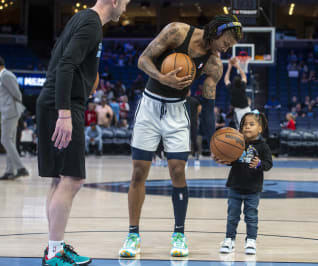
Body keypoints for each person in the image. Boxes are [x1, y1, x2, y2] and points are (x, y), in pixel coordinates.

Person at [119, 15, 243, 258]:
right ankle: (133, 234)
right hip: (150, 107)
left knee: (177, 171)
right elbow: (142, 60)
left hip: (177, 112)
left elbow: (208, 107)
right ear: (215, 31)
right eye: (226, 42)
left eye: (229, 46)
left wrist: (213, 143)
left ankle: (179, 234)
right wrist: (162, 77)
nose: (226, 48)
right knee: (138, 172)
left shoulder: (214, 65)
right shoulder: (176, 31)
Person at [36, 1, 130, 265]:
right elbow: (65, 64)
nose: (127, 6)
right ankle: (55, 253)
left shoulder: (82, 18)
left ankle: (55, 247)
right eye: (126, 1)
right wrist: (64, 113)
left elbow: (59, 54)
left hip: (53, 101)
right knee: (73, 179)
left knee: (60, 179)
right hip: (64, 106)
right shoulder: (91, 24)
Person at [215, 110, 273, 255]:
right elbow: (231, 160)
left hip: (253, 189)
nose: (247, 127)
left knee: (251, 217)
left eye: (251, 124)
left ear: (260, 128)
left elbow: (269, 164)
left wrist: (260, 164)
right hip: (235, 186)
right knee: (232, 216)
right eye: (244, 124)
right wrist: (223, 159)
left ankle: (251, 240)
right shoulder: (236, 143)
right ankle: (229, 240)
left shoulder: (263, 146)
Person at [0, 56, 29, 180]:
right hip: (7, 112)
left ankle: (21, 168)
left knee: (5, 140)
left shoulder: (6, 75)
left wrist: (15, 112)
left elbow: (17, 94)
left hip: (10, 112)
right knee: (10, 141)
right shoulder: (2, 76)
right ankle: (10, 171)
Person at [224, 57, 250, 129]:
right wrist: (237, 66)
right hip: (247, 109)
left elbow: (226, 79)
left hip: (238, 111)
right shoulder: (242, 87)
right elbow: (244, 76)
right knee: (249, 127)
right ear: (240, 82)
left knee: (241, 128)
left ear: (233, 83)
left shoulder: (232, 88)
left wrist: (229, 67)